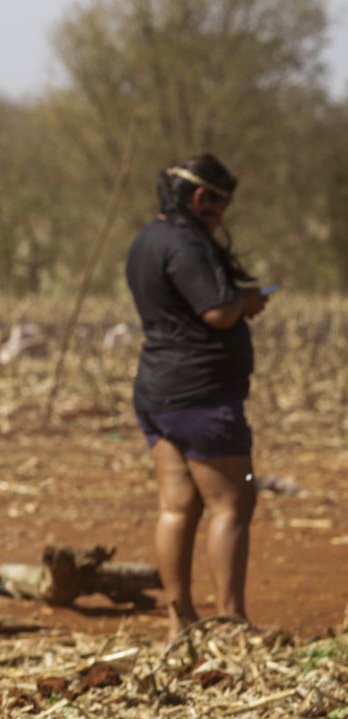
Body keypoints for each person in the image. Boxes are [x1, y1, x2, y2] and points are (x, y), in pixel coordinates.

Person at [126, 154, 267, 636]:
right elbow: (216, 312)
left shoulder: (148, 239)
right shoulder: (186, 243)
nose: (222, 216)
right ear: (201, 198)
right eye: (221, 204)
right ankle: (232, 623)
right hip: (201, 395)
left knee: (177, 506)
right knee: (232, 504)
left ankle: (178, 621)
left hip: (158, 392)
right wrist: (247, 300)